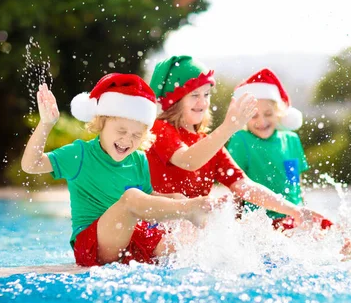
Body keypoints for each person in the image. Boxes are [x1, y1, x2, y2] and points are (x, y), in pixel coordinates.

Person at [21, 73, 221, 267]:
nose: (127, 140)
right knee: (132, 197)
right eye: (121, 131)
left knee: (178, 226)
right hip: (93, 245)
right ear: (101, 123)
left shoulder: (138, 159)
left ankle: (217, 245)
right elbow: (31, 165)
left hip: (131, 240)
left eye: (136, 135)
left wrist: (176, 199)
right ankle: (189, 210)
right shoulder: (80, 154)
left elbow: (148, 198)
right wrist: (46, 124)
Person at [145, 55, 325, 230]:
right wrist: (228, 127)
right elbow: (189, 160)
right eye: (194, 95)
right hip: (158, 226)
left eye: (206, 94)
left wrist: (292, 210)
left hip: (189, 232)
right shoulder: (160, 129)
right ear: (175, 99)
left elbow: (245, 186)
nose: (203, 102)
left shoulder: (208, 143)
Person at [227, 68, 351, 259]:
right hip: (261, 222)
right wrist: (235, 227)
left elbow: (296, 185)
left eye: (268, 114)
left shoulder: (291, 139)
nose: (261, 121)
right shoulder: (241, 140)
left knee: (344, 241)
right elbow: (235, 187)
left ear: (279, 113)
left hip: (293, 216)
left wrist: (306, 216)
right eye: (254, 116)